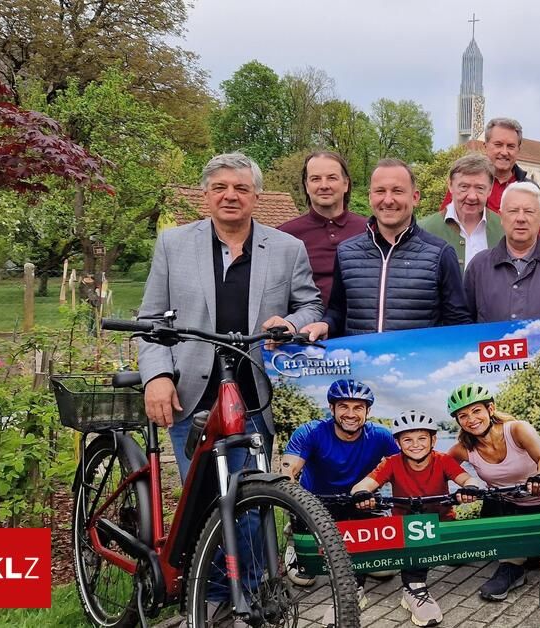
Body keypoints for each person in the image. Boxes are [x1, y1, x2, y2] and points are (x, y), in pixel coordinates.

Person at [136, 152, 324, 617]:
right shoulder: (173, 245)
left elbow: (311, 308)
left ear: (256, 196)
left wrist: (292, 322)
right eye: (220, 187)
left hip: (253, 392)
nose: (230, 195)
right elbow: (149, 320)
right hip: (193, 394)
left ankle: (256, 593)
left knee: (255, 499)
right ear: (206, 194)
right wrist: (157, 375)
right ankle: (218, 597)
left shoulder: (285, 249)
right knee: (205, 502)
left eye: (241, 188)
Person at [442, 384, 540, 612]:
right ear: (458, 421)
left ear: (490, 409)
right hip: (513, 508)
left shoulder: (517, 429)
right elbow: (439, 469)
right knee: (491, 502)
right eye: (463, 415)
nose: (471, 419)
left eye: (476, 411)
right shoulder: (463, 448)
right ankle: (512, 566)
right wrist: (463, 490)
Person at [302, 159, 471, 339]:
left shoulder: (440, 253)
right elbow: (337, 312)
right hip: (361, 363)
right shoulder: (346, 252)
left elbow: (458, 322)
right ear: (370, 197)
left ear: (415, 197)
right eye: (380, 191)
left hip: (418, 365)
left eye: (397, 191)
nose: (388, 200)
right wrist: (325, 324)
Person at [352, 411, 484, 627]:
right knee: (382, 540)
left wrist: (469, 488)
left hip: (443, 525)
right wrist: (362, 494)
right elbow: (363, 485)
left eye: (422, 438)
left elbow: (469, 480)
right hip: (407, 529)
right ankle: (413, 588)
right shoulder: (391, 463)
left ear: (433, 440)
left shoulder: (443, 460)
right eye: (407, 439)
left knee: (459, 554)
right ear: (397, 442)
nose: (415, 445)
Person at [279, 379, 398, 607]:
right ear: (332, 408)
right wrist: (290, 489)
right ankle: (295, 538)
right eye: (344, 406)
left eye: (358, 408)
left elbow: (401, 470)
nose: (351, 414)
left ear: (367, 411)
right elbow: (289, 470)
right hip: (315, 504)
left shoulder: (381, 435)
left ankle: (355, 540)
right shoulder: (310, 432)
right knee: (306, 576)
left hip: (361, 502)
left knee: (385, 572)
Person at [464, 182, 540, 321]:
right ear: (501, 216)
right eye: (513, 211)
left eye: (529, 211)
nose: (521, 219)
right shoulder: (479, 265)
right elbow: (463, 323)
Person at [278, 151, 369, 305]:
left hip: (362, 325)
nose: (324, 185)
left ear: (346, 184)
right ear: (307, 186)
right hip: (306, 326)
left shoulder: (370, 230)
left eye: (332, 178)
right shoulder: (284, 236)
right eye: (315, 179)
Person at [418, 153, 504, 271]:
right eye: (464, 187)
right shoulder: (424, 230)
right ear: (450, 185)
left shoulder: (504, 228)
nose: (472, 196)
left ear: (490, 189)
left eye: (480, 188)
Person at [439, 117, 531, 212]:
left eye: (510, 146)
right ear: (486, 146)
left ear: (518, 150)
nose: (504, 152)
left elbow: (535, 225)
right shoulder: (464, 182)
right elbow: (444, 222)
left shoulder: (528, 188)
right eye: (498, 145)